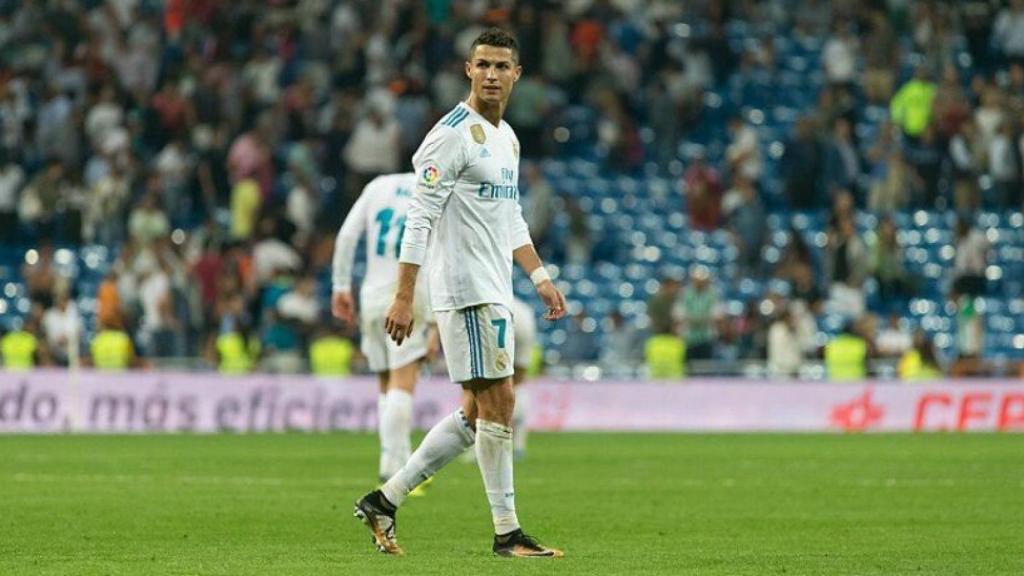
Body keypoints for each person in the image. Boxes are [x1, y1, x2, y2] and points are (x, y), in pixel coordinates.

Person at [353, 29, 567, 559]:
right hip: (464, 289)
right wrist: (404, 297)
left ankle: (385, 499)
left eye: (502, 66)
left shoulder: (507, 139)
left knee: (476, 413)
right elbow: (418, 217)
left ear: (517, 75)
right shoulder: (449, 135)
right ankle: (507, 533)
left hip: (496, 285)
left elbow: (510, 215)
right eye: (483, 65)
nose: (492, 74)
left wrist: (540, 278)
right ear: (468, 71)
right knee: (501, 402)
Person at [332, 172, 433, 485]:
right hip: (406, 293)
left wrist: (340, 285)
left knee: (385, 383)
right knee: (403, 382)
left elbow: (347, 236)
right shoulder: (431, 187)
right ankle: (394, 467)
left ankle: (395, 457)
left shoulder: (377, 186)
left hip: (372, 295)